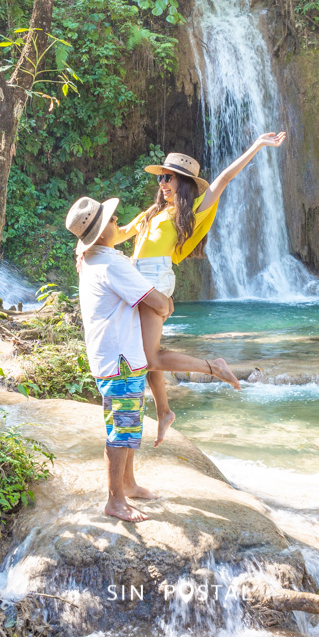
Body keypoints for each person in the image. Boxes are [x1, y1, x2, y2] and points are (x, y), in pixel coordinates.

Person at [67, 195, 242, 522]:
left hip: (115, 356)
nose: (118, 223)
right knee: (121, 430)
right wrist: (166, 305)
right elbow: (157, 301)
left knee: (129, 422)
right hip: (120, 360)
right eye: (114, 220)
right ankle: (115, 500)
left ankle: (129, 484)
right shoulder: (111, 264)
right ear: (103, 230)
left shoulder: (92, 259)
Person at [115, 132, 287, 446]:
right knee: (144, 354)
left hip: (155, 280)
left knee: (150, 357)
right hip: (135, 280)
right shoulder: (150, 215)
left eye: (168, 178)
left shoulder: (188, 212)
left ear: (183, 183)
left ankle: (214, 368)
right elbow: (119, 234)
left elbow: (223, 179)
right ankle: (165, 411)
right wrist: (88, 242)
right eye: (161, 178)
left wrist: (258, 145)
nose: (162, 183)